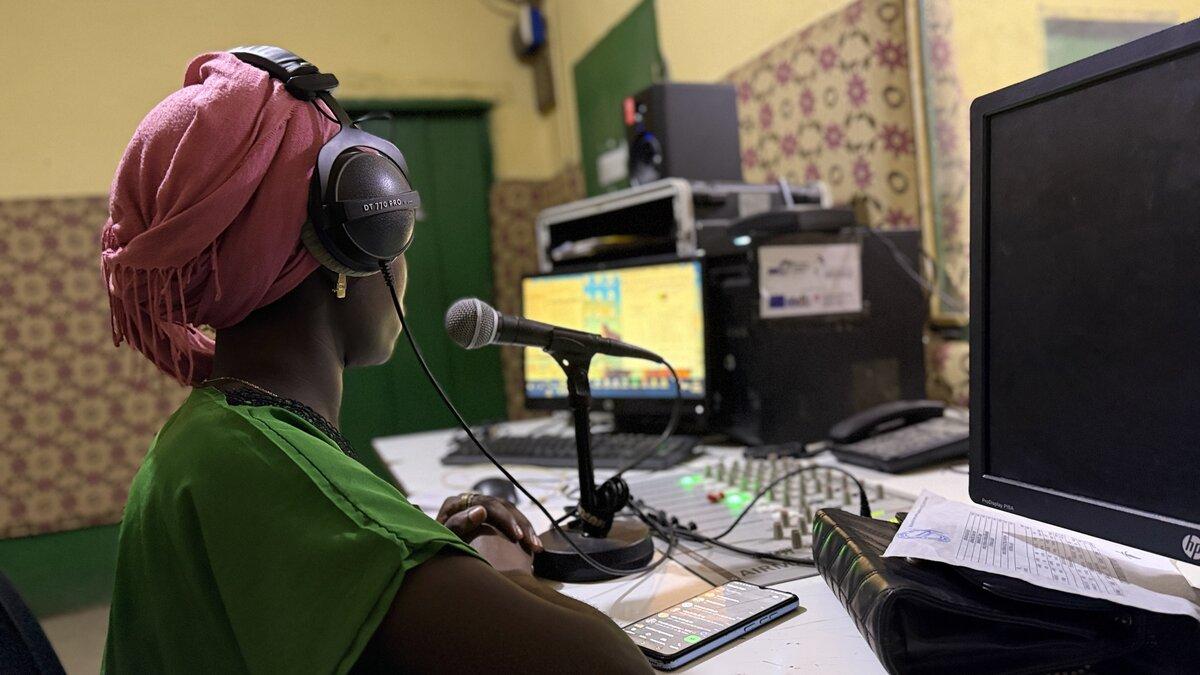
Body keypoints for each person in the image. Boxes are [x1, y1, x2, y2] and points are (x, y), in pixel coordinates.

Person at [99, 51, 651, 674]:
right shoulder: (266, 470)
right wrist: (498, 570)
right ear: (358, 237)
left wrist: (433, 564)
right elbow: (609, 664)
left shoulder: (209, 438)